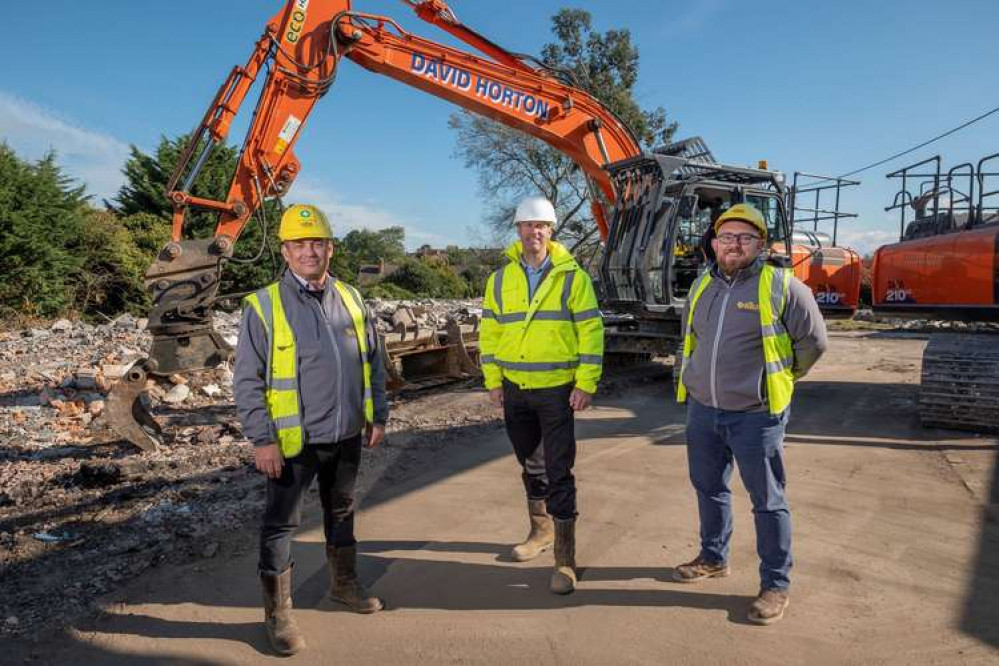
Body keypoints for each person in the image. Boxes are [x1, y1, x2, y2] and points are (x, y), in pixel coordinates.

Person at [234, 204, 389, 656]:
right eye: (299, 244)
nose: (309, 252)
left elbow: (373, 361)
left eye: (317, 243)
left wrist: (377, 414)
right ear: (284, 252)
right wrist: (262, 439)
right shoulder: (263, 306)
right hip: (291, 442)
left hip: (345, 434)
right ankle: (278, 615)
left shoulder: (353, 298)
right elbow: (247, 379)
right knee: (281, 525)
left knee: (341, 510)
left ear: (330, 248)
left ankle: (345, 584)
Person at [673, 202, 828, 625]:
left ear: (760, 243)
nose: (734, 245)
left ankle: (775, 584)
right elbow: (692, 339)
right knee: (709, 488)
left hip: (756, 416)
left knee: (768, 500)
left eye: (744, 237)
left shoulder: (783, 287)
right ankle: (713, 557)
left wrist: (775, 381)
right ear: (715, 242)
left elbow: (813, 343)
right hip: (703, 411)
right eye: (726, 237)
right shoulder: (701, 285)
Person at [479, 195, 604, 595]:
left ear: (551, 232)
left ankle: (565, 561)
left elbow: (590, 330)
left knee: (558, 469)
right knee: (529, 464)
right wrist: (493, 380)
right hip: (515, 390)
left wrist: (586, 382)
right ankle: (540, 531)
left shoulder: (572, 277)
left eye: (541, 226)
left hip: (556, 390)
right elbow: (490, 333)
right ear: (517, 231)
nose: (534, 232)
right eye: (527, 225)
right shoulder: (499, 280)